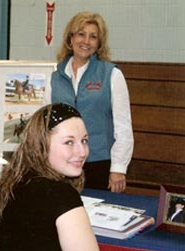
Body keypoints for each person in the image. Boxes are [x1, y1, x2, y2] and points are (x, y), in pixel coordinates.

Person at [0, 103, 99, 251]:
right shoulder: (60, 195)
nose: (82, 152)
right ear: (41, 145)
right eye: (69, 142)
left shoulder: (10, 184)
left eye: (84, 141)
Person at [45, 11, 134, 193]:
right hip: (62, 163)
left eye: (93, 37)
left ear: (99, 43)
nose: (86, 41)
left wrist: (118, 168)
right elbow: (45, 125)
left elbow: (123, 127)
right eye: (81, 34)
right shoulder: (54, 77)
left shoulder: (112, 74)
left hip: (100, 163)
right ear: (70, 39)